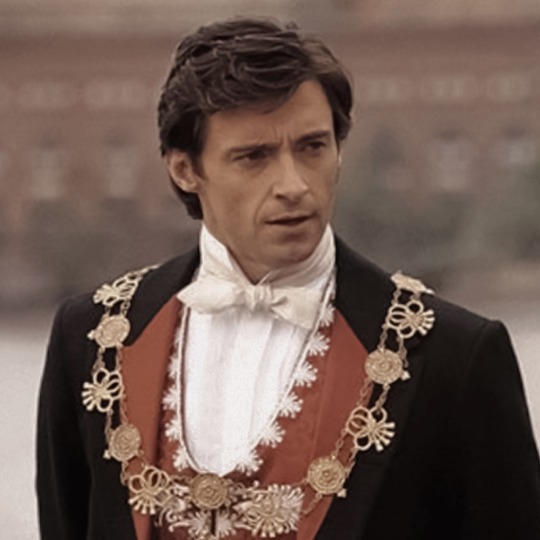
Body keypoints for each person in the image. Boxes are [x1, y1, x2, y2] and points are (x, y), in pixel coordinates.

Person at [37, 17, 540, 540]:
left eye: (312, 147)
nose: (293, 184)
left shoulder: (455, 356)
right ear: (185, 169)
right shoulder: (89, 338)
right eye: (254, 157)